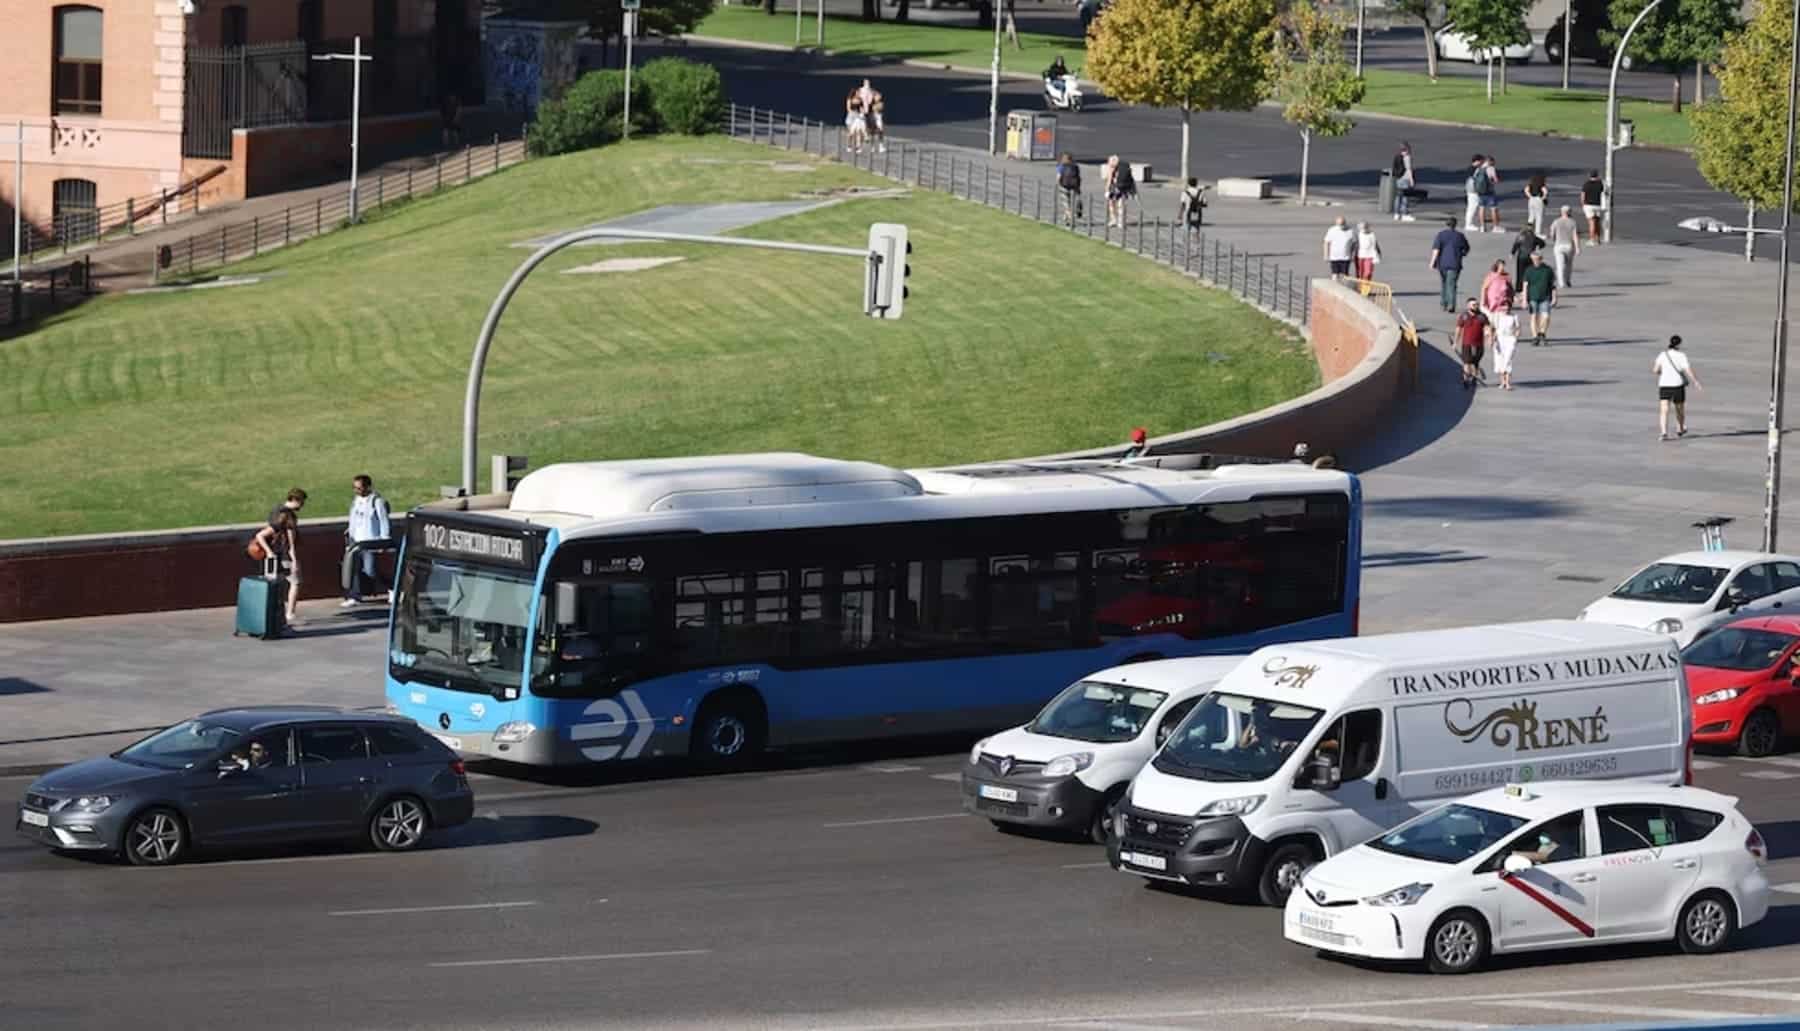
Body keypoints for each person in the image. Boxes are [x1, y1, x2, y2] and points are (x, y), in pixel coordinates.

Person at [254, 488, 306, 626]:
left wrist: (269, 553)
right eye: (301, 502)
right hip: (284, 555)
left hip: (273, 557)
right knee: (295, 582)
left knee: (275, 586)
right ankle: (290, 614)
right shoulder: (287, 516)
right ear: (295, 500)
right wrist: (294, 561)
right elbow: (290, 542)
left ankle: (274, 616)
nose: (302, 506)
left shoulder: (275, 510)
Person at [342, 474, 392, 607]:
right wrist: (350, 533)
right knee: (354, 569)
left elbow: (384, 521)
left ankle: (392, 587)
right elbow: (353, 519)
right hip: (356, 541)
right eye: (354, 488)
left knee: (370, 571)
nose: (356, 491)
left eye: (359, 488)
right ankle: (354, 596)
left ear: (368, 487)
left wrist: (384, 540)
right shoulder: (356, 501)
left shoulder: (377, 501)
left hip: (370, 541)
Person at [1654, 335, 1703, 440]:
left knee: (1664, 410)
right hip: (1677, 385)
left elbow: (1655, 370)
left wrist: (1663, 373)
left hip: (1664, 385)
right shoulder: (1681, 355)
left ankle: (1664, 433)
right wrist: (1695, 382)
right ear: (1679, 344)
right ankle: (1680, 428)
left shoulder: (1663, 354)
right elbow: (1688, 370)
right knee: (1679, 409)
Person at [1429, 217, 1471, 313]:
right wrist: (1462, 254)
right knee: (1451, 284)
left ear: (1446, 224)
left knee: (1444, 283)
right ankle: (1451, 304)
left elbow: (1436, 249)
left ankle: (1444, 303)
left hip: (1442, 263)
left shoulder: (1441, 235)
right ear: (1455, 224)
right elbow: (1466, 248)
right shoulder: (1460, 236)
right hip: (1455, 263)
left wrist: (1432, 262)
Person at [1520, 250, 1557, 346]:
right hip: (1533, 297)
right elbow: (1525, 286)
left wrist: (1554, 297)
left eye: (1537, 259)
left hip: (1545, 297)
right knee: (1533, 316)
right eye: (1534, 259)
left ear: (1541, 259)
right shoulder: (1529, 270)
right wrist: (1524, 299)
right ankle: (1535, 337)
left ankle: (1542, 333)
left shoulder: (1548, 270)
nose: (1536, 261)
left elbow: (1553, 285)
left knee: (1546, 316)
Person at [1455, 298, 1487, 389]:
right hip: (1467, 343)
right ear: (1468, 306)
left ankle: (1474, 378)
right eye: (1473, 305)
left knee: (1475, 363)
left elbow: (1487, 327)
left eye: (1477, 304)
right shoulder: (1464, 316)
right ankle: (1465, 379)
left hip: (1479, 344)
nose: (1476, 306)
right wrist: (1456, 342)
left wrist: (1489, 337)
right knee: (1467, 362)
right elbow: (1458, 328)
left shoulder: (1482, 316)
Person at [1548, 204, 1580, 289]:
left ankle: (1561, 283)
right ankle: (1567, 280)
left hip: (1558, 245)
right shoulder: (1572, 222)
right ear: (1569, 212)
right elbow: (1575, 236)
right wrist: (1577, 247)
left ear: (1561, 212)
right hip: (1569, 245)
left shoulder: (1556, 221)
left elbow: (1552, 234)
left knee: (1560, 265)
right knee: (1568, 265)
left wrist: (1554, 240)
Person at [1490, 303, 1520, 390]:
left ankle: (1507, 383)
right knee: (1500, 360)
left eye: (1507, 308)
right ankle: (1502, 381)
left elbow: (1518, 328)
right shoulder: (1497, 316)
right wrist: (1492, 339)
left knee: (1508, 359)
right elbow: (1493, 328)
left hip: (1510, 338)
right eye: (1503, 308)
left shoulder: (1514, 316)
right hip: (1499, 339)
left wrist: (1516, 337)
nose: (1505, 309)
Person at [1480, 260, 1514, 328]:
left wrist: (1511, 299)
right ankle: (1492, 332)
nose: (1502, 268)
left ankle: (1498, 332)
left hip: (1503, 301)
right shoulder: (1491, 276)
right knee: (1492, 320)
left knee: (1502, 321)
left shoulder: (1507, 277)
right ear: (1497, 266)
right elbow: (1484, 288)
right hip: (1492, 301)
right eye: (1501, 266)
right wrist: (1483, 300)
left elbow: (1511, 289)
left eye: (1503, 266)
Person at [1509, 223, 1541, 288]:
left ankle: (1519, 287)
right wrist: (1538, 247)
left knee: (1520, 273)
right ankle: (1529, 286)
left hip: (1521, 257)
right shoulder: (1534, 237)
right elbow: (1542, 243)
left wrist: (1512, 253)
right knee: (1530, 272)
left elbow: (1516, 245)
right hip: (1530, 257)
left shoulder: (1520, 236)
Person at [1391, 142, 1416, 222]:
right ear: (1407, 149)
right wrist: (1411, 180)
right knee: (1405, 198)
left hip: (1399, 179)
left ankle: (1396, 214)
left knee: (1398, 197)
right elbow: (1408, 169)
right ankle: (1404, 214)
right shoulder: (1407, 157)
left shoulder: (1397, 157)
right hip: (1405, 179)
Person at [1056, 152, 1083, 227]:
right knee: (1072, 203)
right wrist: (1078, 187)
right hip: (1074, 186)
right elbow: (1078, 177)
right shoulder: (1075, 166)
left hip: (1064, 186)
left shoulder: (1061, 166)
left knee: (1066, 204)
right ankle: (1066, 218)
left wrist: (1058, 184)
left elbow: (1058, 177)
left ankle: (1071, 221)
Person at [1479, 155, 1502, 233]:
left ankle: (1482, 227)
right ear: (1490, 161)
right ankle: (1495, 227)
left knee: (1481, 208)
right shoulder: (1491, 168)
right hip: (1489, 192)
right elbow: (1496, 180)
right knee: (1493, 209)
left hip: (1481, 192)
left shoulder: (1480, 168)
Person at [1581, 170, 1605, 244]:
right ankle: (1598, 239)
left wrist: (1583, 204)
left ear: (1589, 175)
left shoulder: (1586, 184)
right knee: (1597, 222)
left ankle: (1592, 240)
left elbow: (1583, 195)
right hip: (1598, 205)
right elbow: (1604, 191)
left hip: (1588, 205)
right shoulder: (1600, 184)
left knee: (1591, 222)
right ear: (1597, 175)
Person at [1463, 154, 1485, 231]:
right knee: (1472, 207)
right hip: (1473, 191)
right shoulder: (1475, 169)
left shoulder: (1470, 168)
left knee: (1471, 207)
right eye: (1482, 161)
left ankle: (1469, 224)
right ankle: (1469, 224)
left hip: (1470, 190)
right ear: (1478, 161)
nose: (1482, 163)